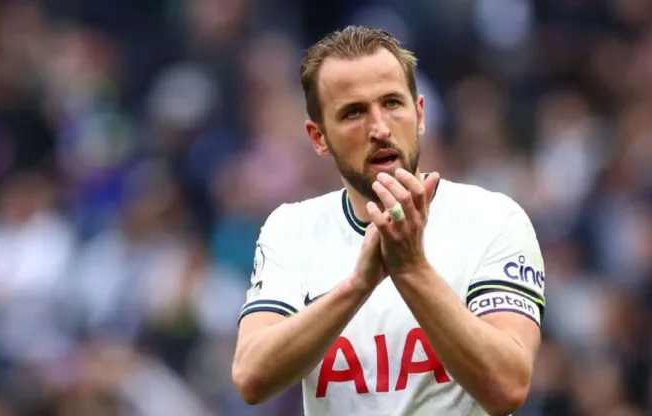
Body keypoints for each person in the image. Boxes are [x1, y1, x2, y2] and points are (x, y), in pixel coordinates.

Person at [231, 26, 546, 416]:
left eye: (392, 103)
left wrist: (411, 269)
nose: (379, 128)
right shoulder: (292, 229)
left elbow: (508, 386)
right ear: (319, 138)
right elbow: (251, 377)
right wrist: (357, 286)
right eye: (354, 112)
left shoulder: (494, 220)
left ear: (420, 114)